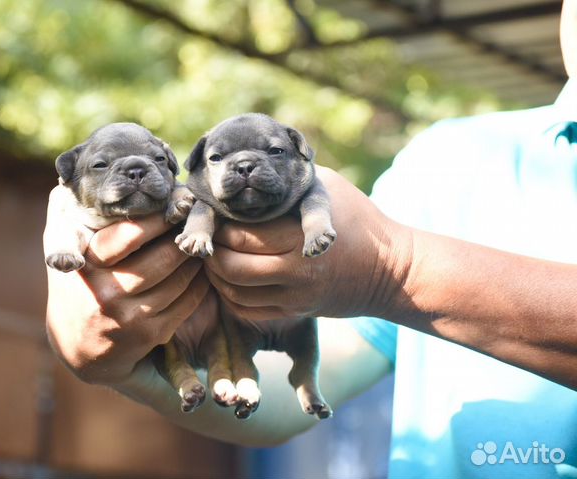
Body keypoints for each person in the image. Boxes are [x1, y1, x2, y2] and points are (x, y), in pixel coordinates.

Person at [45, 1, 577, 477]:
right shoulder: (450, 157)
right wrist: (132, 361)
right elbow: (295, 370)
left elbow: (383, 272)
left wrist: (393, 270)